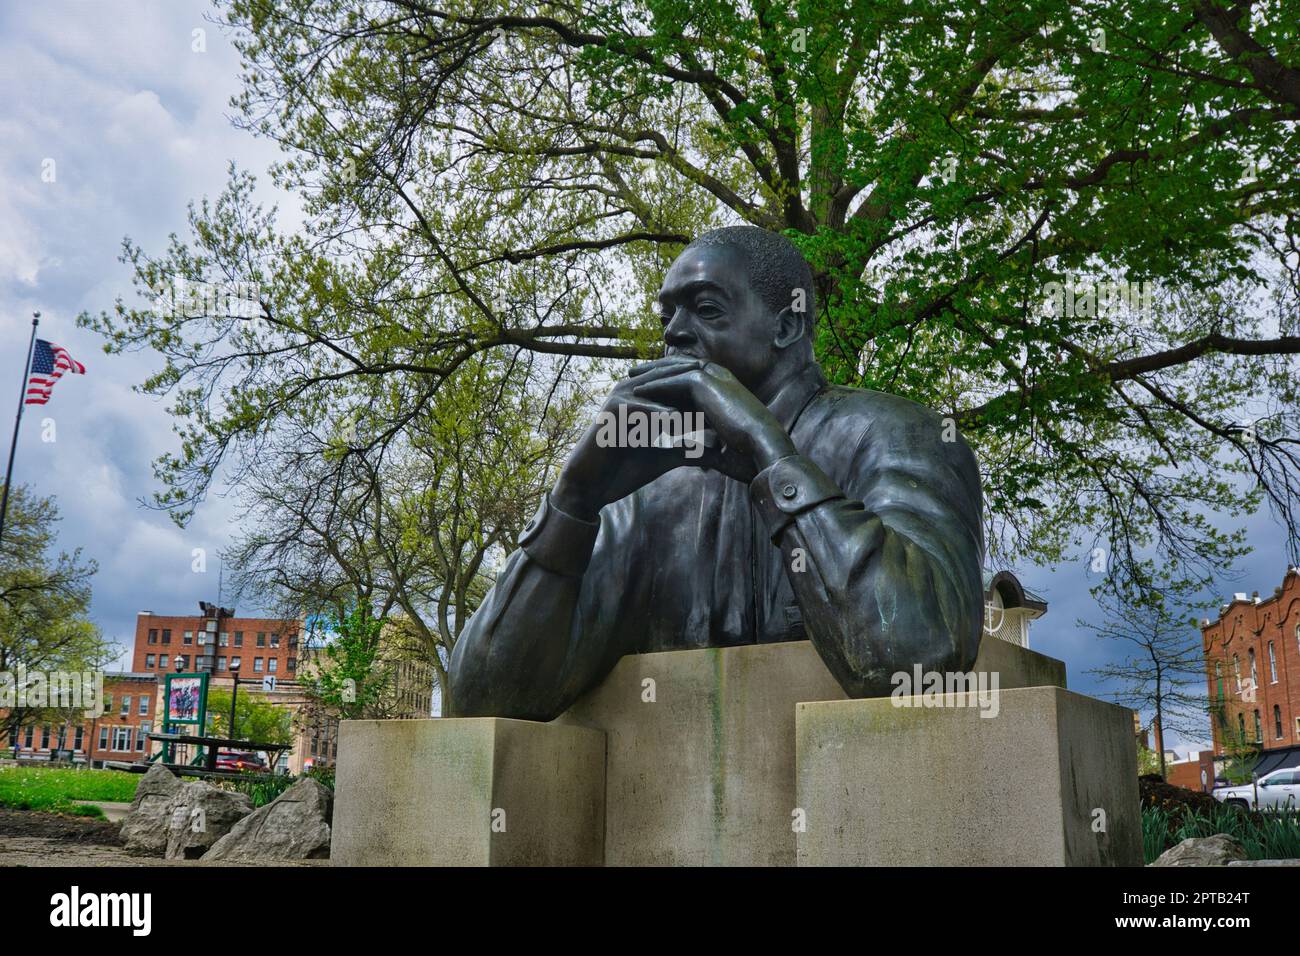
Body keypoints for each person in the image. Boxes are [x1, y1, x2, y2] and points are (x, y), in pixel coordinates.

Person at [451, 226, 984, 720]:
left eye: (706, 309)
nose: (675, 333)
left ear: (787, 325)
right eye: (667, 318)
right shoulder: (647, 484)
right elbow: (483, 700)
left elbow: (918, 659)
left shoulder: (897, 434)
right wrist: (571, 502)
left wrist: (768, 452)